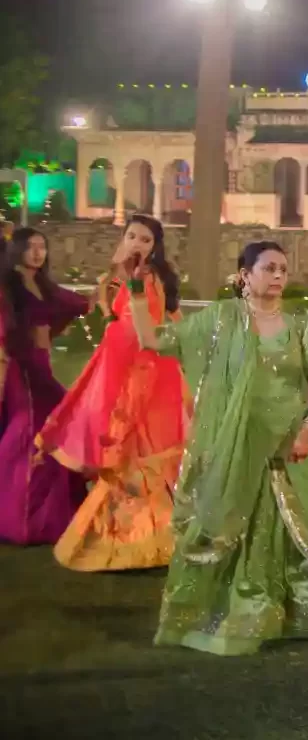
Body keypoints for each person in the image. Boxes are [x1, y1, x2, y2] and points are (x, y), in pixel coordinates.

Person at [129, 241, 308, 654]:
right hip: (235, 443)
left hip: (287, 440)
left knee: (300, 526)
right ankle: (232, 612)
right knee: (229, 521)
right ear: (245, 274)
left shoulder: (298, 321)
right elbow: (153, 339)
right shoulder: (220, 320)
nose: (278, 277)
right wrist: (135, 289)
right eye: (269, 268)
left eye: (283, 270)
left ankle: (304, 610)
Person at [37, 215, 190, 570]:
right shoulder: (117, 277)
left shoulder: (149, 277)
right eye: (132, 236)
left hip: (149, 370)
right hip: (116, 366)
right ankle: (128, 533)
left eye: (146, 240)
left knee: (142, 446)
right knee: (119, 446)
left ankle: (148, 537)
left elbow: (160, 322)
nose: (138, 244)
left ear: (155, 247)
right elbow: (117, 321)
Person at [0, 228, 90, 546]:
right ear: (17, 251)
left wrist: (111, 285)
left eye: (42, 246)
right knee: (27, 429)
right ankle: (20, 518)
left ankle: (55, 514)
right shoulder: (6, 288)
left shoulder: (44, 286)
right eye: (31, 247)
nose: (38, 252)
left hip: (41, 366)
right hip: (17, 368)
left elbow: (78, 302)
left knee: (60, 424)